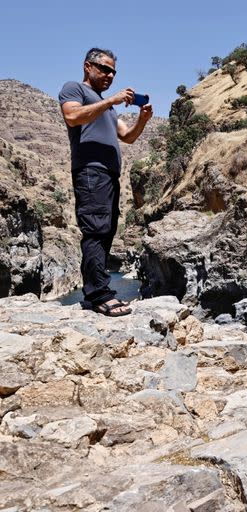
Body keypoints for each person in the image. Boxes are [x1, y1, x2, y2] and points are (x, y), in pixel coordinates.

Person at [59, 47, 153, 317]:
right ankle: (99, 295)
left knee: (107, 230)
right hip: (90, 171)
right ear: (88, 66)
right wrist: (111, 100)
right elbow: (73, 116)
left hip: (109, 176)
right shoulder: (74, 89)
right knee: (95, 230)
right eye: (104, 69)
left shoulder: (108, 110)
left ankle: (97, 291)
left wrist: (143, 120)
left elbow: (129, 137)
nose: (110, 75)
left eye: (113, 71)